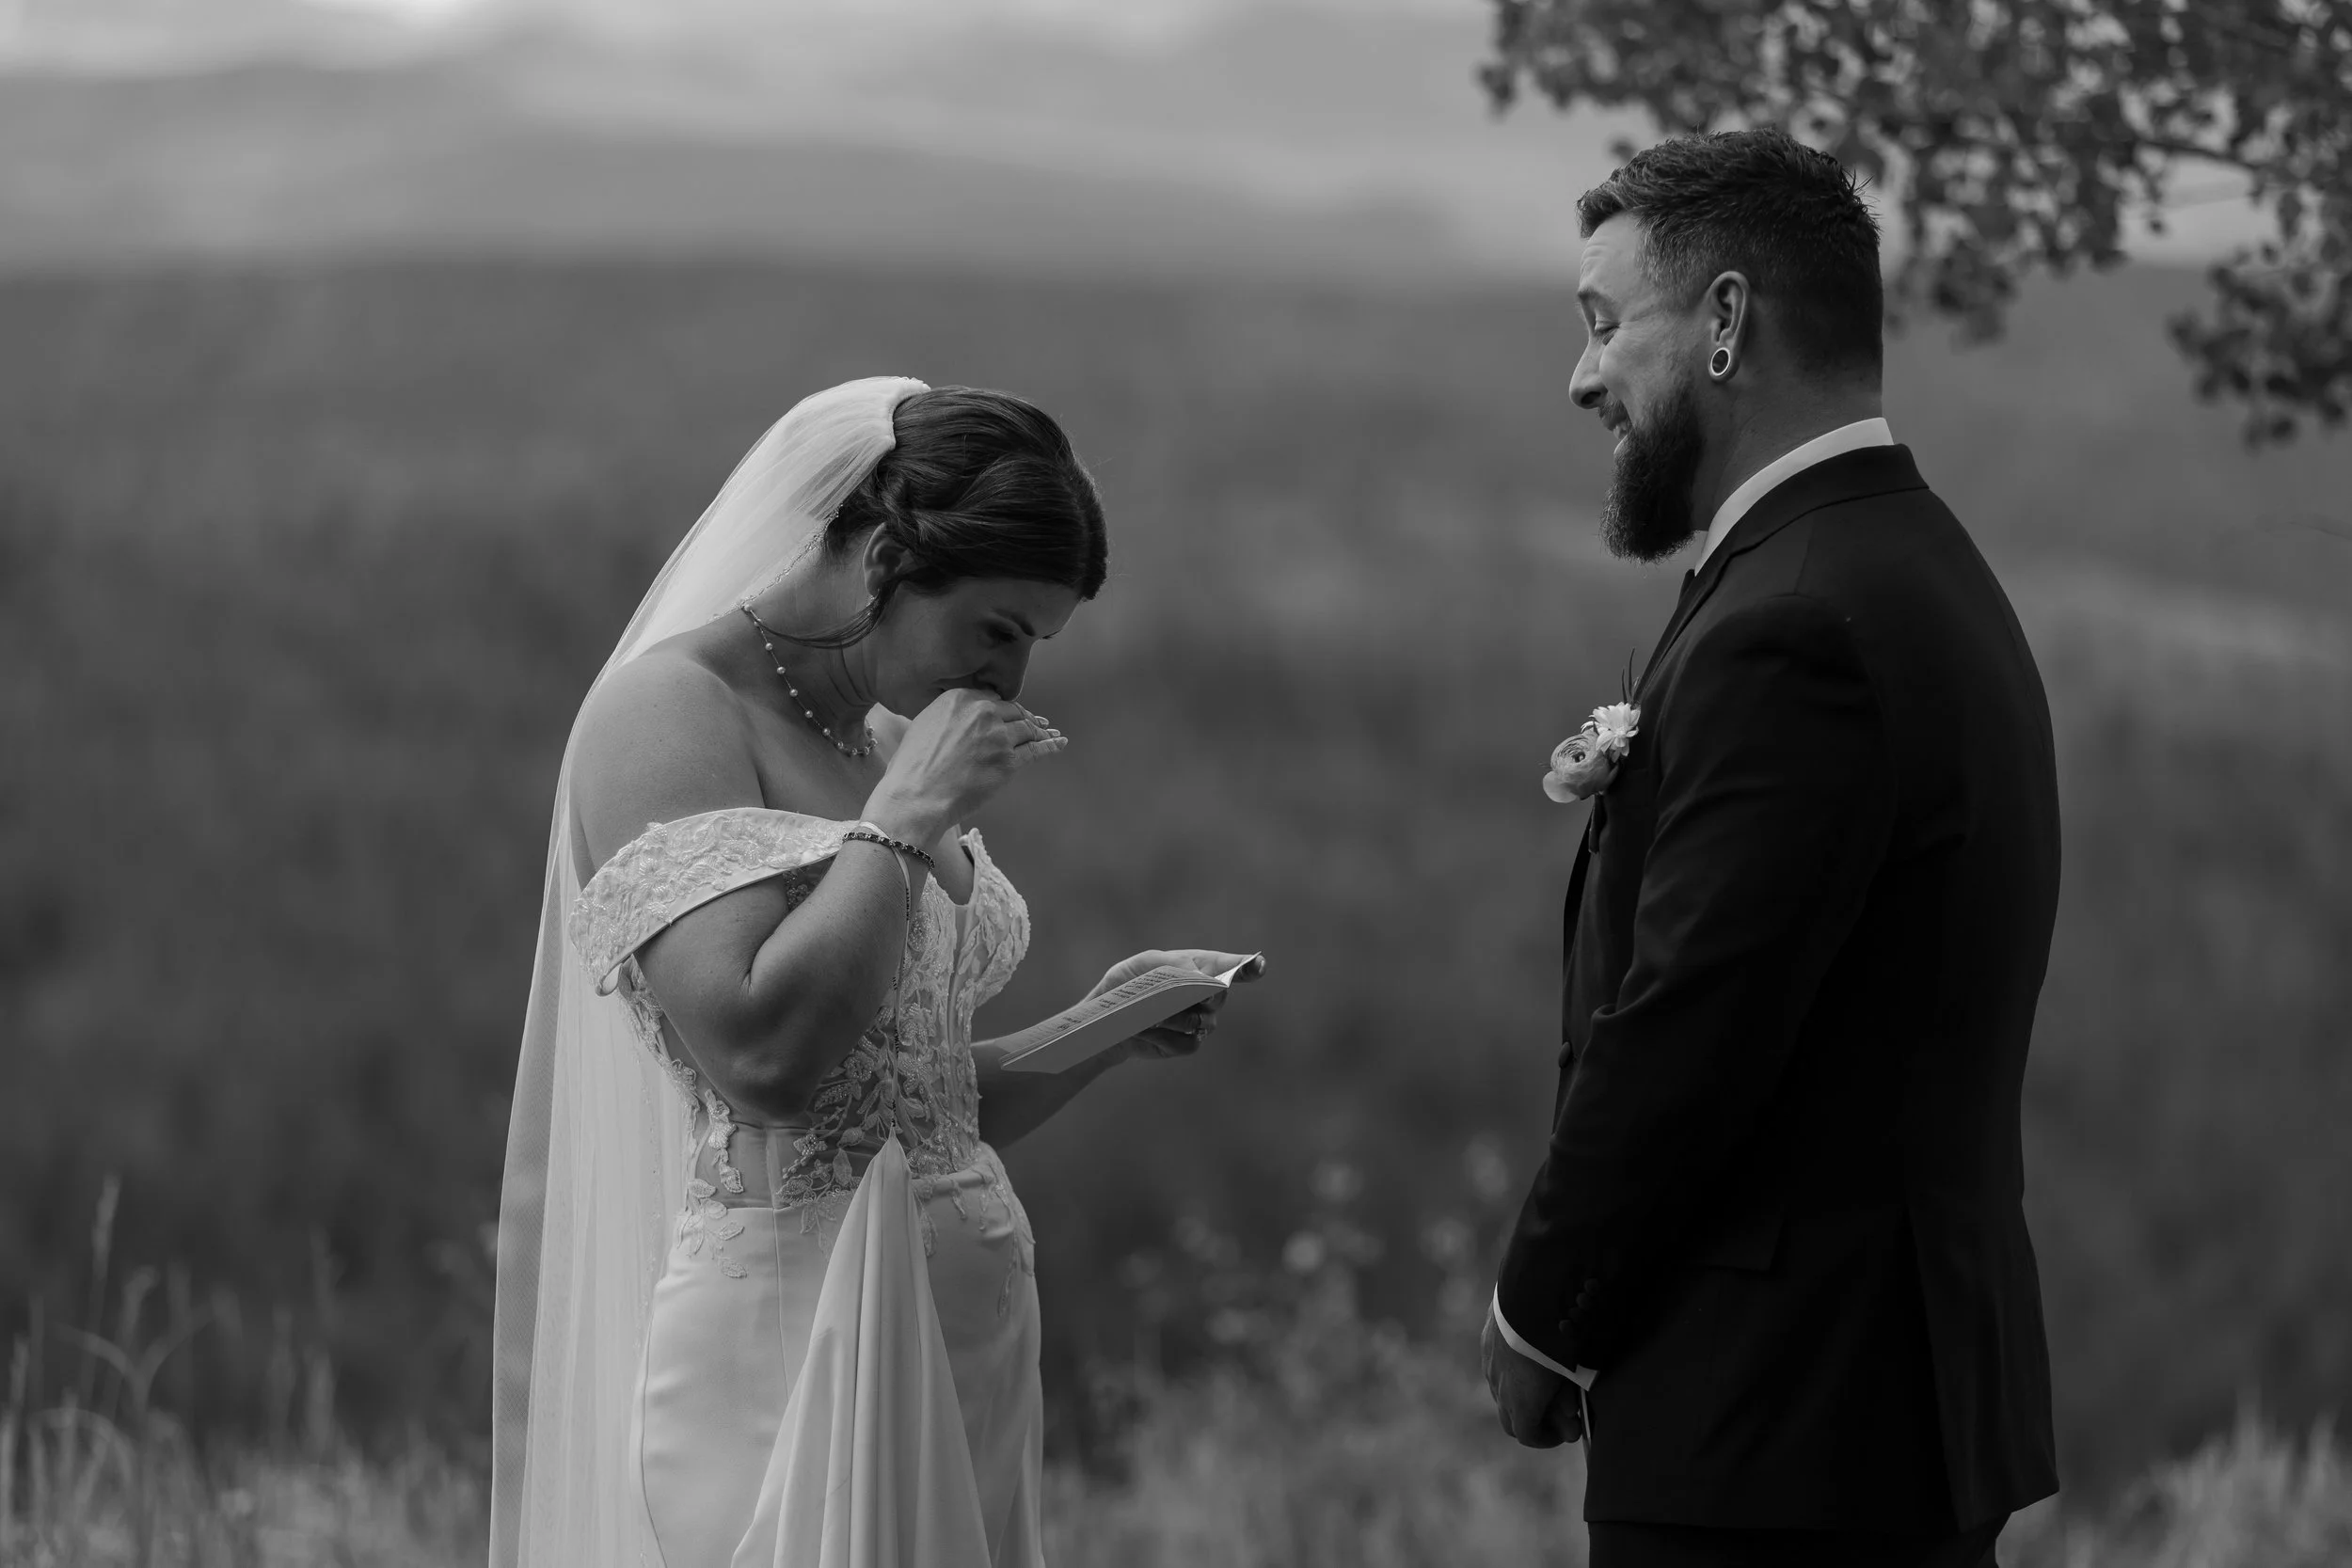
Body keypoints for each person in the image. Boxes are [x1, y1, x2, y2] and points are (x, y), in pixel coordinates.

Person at [490, 377, 1262, 1568]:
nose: (1010, 679)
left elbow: (912, 1102)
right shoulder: (670, 713)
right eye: (996, 629)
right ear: (887, 560)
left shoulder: (884, 732)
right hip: (797, 1338)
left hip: (968, 1340)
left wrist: (1104, 1023)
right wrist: (900, 820)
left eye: (1033, 642)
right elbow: (763, 1060)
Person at [1483, 131, 2062, 1567]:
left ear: (1727, 321)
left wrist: (1539, 1313)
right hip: (1870, 1408)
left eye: (1605, 323)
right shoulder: (1905, 560)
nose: (1581, 378)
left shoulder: (1793, 623)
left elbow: (1690, 1022)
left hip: (1778, 1429)